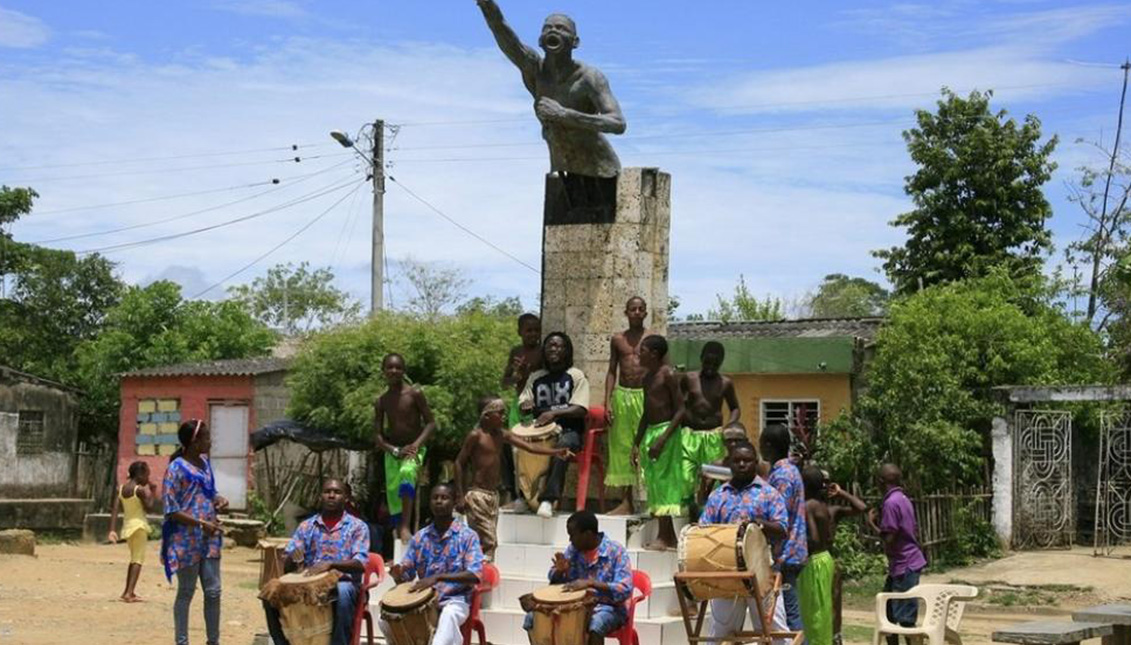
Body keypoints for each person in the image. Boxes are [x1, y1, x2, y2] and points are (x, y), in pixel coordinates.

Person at [476, 0, 627, 179]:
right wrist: (487, 5)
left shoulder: (590, 77)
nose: (553, 31)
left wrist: (564, 114)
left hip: (600, 172)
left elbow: (617, 123)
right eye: (547, 28)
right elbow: (503, 33)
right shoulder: (535, 70)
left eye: (562, 28)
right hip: (560, 172)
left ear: (575, 42)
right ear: (540, 40)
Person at [454, 395, 572, 560]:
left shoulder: (502, 435)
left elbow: (529, 447)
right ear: (487, 416)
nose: (503, 417)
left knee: (483, 542)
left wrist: (556, 452)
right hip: (477, 496)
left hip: (493, 497)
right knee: (489, 541)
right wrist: (460, 495)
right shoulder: (476, 436)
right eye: (500, 413)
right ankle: (479, 575)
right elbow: (459, 463)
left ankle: (479, 577)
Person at [699, 442, 790, 644]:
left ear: (755, 463)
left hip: (761, 573)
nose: (742, 464)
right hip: (726, 575)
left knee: (773, 632)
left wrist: (760, 525)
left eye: (747, 460)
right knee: (721, 633)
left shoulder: (769, 493)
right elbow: (703, 530)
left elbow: (782, 529)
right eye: (737, 460)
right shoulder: (718, 496)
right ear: (729, 463)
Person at [263, 478, 370, 645]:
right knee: (270, 592)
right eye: (327, 492)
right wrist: (293, 558)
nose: (332, 496)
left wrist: (331, 564)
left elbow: (360, 564)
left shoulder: (358, 526)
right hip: (310, 584)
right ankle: (281, 642)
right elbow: (289, 565)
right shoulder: (307, 526)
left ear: (346, 498)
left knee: (343, 591)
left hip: (344, 582)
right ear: (320, 496)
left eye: (337, 492)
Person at [382, 483, 484, 645]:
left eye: (444, 498)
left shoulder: (468, 536)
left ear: (454, 502)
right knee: (386, 620)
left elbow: (475, 575)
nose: (439, 501)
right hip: (422, 600)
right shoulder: (420, 537)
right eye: (435, 498)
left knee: (448, 617)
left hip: (455, 600)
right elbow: (406, 576)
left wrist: (438, 578)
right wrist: (397, 573)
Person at [521, 510, 633, 645]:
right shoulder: (573, 549)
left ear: (588, 534)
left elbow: (625, 589)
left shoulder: (616, 551)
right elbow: (554, 579)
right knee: (532, 618)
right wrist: (560, 572)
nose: (570, 540)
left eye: (572, 535)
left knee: (595, 625)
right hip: (575, 606)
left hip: (609, 607)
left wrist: (590, 583)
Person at [162, 419, 229, 645]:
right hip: (185, 539)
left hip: (209, 538)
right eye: (207, 438)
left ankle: (213, 641)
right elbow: (171, 509)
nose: (210, 442)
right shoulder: (175, 469)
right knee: (186, 592)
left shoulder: (205, 464)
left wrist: (218, 499)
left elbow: (210, 493)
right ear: (194, 442)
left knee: (213, 592)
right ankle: (182, 641)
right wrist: (201, 523)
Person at [518, 332, 589, 518]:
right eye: (550, 346)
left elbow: (580, 409)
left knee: (561, 449)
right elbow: (524, 402)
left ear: (567, 351)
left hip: (569, 430)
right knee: (512, 443)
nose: (553, 349)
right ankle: (522, 496)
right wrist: (526, 406)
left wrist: (553, 413)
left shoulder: (575, 375)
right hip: (539, 430)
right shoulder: (536, 377)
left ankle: (548, 500)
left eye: (558, 346)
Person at [799, 466, 867, 645]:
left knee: (815, 609)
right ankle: (834, 637)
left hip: (814, 562)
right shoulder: (828, 509)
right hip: (828, 560)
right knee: (829, 605)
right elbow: (862, 507)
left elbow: (812, 539)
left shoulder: (808, 507)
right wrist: (842, 493)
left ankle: (827, 639)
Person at [374, 352, 437, 542]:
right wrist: (393, 450)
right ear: (383, 371)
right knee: (393, 491)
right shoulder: (382, 401)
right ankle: (397, 529)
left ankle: (404, 527)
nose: (394, 371)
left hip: (414, 448)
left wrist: (415, 446)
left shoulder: (414, 393)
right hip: (393, 451)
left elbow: (431, 423)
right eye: (390, 367)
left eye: (398, 367)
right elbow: (377, 435)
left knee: (407, 475)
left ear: (404, 370)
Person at [631, 334, 685, 550]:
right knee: (654, 484)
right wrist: (637, 442)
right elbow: (646, 412)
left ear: (653, 354)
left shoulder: (668, 375)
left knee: (664, 484)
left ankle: (664, 537)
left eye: (641, 350)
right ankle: (668, 535)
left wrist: (662, 440)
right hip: (651, 433)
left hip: (666, 433)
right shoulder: (647, 378)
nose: (638, 354)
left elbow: (681, 410)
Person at [681, 341, 741, 518]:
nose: (710, 367)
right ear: (701, 359)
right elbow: (678, 404)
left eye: (715, 364)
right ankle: (687, 512)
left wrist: (729, 426)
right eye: (707, 362)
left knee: (713, 479)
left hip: (714, 436)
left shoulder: (726, 383)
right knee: (685, 476)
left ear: (721, 363)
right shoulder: (689, 379)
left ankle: (708, 514)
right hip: (689, 436)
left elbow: (735, 408)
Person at [868, 464, 927, 645]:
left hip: (905, 565)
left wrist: (872, 524)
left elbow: (890, 538)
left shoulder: (891, 502)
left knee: (906, 619)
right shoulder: (902, 498)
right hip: (903, 564)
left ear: (881, 481)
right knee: (888, 614)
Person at [602, 297, 650, 516]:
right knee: (622, 447)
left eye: (641, 309)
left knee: (646, 447)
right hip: (622, 397)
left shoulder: (652, 338)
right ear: (626, 312)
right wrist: (607, 402)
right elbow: (612, 370)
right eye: (633, 309)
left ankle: (651, 500)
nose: (637, 312)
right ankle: (626, 501)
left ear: (646, 313)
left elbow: (663, 369)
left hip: (645, 396)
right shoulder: (617, 339)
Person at [760, 424, 809, 635]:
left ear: (768, 446)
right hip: (794, 550)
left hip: (786, 554)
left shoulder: (782, 476)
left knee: (789, 615)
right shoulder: (789, 469)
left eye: (761, 443)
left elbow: (779, 517)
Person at [500, 313, 543, 510]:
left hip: (536, 405)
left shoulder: (543, 353)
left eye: (536, 330)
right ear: (520, 332)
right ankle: (517, 496)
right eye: (528, 330)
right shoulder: (516, 352)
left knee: (532, 453)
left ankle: (533, 496)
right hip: (519, 406)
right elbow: (505, 382)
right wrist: (518, 373)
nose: (533, 334)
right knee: (514, 451)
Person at [107, 460, 156, 602]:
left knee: (133, 559)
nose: (148, 479)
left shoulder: (122, 489)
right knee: (138, 560)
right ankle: (129, 593)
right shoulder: (139, 490)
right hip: (139, 527)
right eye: (147, 475)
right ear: (140, 475)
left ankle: (127, 591)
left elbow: (115, 509)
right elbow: (150, 508)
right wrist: (152, 492)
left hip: (128, 527)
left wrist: (112, 529)